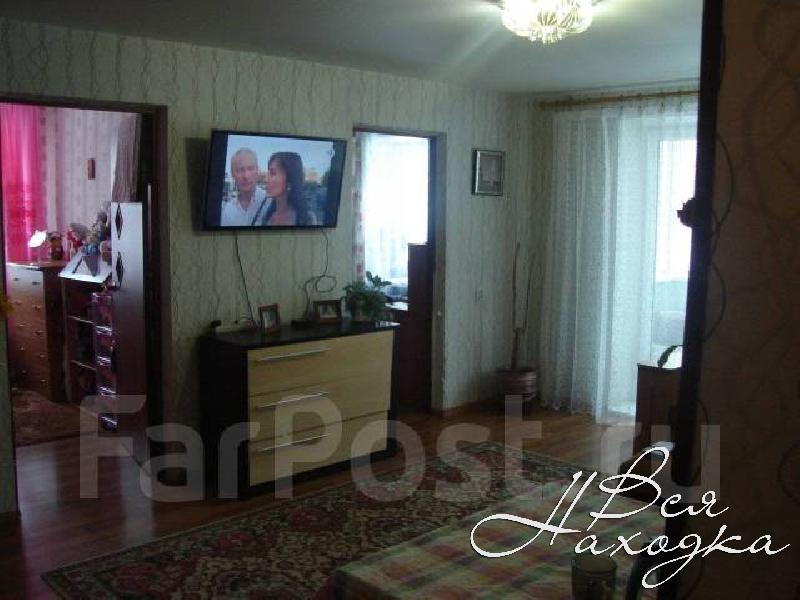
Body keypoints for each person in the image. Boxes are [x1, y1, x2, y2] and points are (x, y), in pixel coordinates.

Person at [261, 152, 317, 226]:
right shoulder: (267, 217)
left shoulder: (306, 219)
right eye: (268, 173)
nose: (266, 179)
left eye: (273, 173)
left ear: (290, 180)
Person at [221, 148, 270, 226]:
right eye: (240, 170)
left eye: (250, 169)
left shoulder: (271, 202)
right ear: (232, 174)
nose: (246, 176)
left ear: (257, 170)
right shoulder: (227, 211)